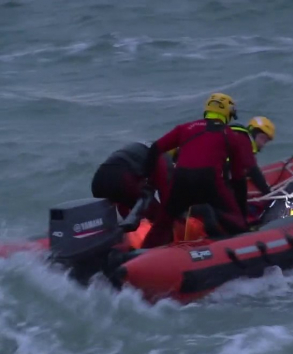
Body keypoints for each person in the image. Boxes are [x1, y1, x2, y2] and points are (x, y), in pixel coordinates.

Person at [140, 93, 270, 248]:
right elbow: (238, 178)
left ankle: (139, 255)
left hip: (181, 180)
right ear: (227, 113)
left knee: (163, 223)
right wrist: (241, 215)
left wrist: (148, 179)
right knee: (236, 222)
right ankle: (226, 241)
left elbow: (156, 149)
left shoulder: (185, 128)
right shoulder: (230, 135)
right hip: (209, 180)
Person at [91, 142, 173, 221]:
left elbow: (123, 199)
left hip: (98, 180)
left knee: (124, 200)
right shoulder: (163, 158)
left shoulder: (144, 150)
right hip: (123, 178)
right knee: (160, 214)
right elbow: (167, 200)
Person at [227, 116, 275, 218]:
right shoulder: (243, 141)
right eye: (263, 138)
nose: (263, 144)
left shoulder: (235, 135)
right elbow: (253, 170)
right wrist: (270, 195)